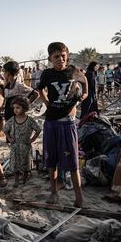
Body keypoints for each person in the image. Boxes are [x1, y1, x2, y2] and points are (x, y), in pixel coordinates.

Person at [36, 42, 88, 208]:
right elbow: (40, 89)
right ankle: (54, 192)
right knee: (52, 160)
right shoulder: (47, 74)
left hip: (68, 123)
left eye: (63, 56)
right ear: (50, 58)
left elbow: (85, 84)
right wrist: (47, 102)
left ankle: (79, 197)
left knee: (72, 161)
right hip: (51, 122)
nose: (60, 59)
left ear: (67, 56)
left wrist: (81, 98)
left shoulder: (73, 71)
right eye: (56, 57)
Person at [4, 96, 41, 188]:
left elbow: (38, 129)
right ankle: (16, 180)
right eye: (14, 108)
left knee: (26, 163)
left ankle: (24, 178)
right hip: (15, 146)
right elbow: (5, 129)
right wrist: (9, 138)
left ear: (24, 108)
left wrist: (32, 139)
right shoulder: (12, 120)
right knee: (15, 163)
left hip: (25, 146)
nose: (15, 110)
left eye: (18, 108)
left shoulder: (30, 120)